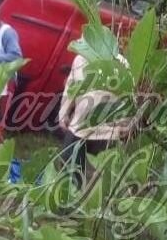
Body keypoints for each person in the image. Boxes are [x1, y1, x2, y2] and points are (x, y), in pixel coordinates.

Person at [58, 53, 135, 184]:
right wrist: (63, 113)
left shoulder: (120, 62)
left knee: (95, 178)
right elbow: (71, 88)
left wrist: (127, 123)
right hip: (84, 129)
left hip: (103, 132)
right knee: (73, 172)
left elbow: (129, 94)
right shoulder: (81, 59)